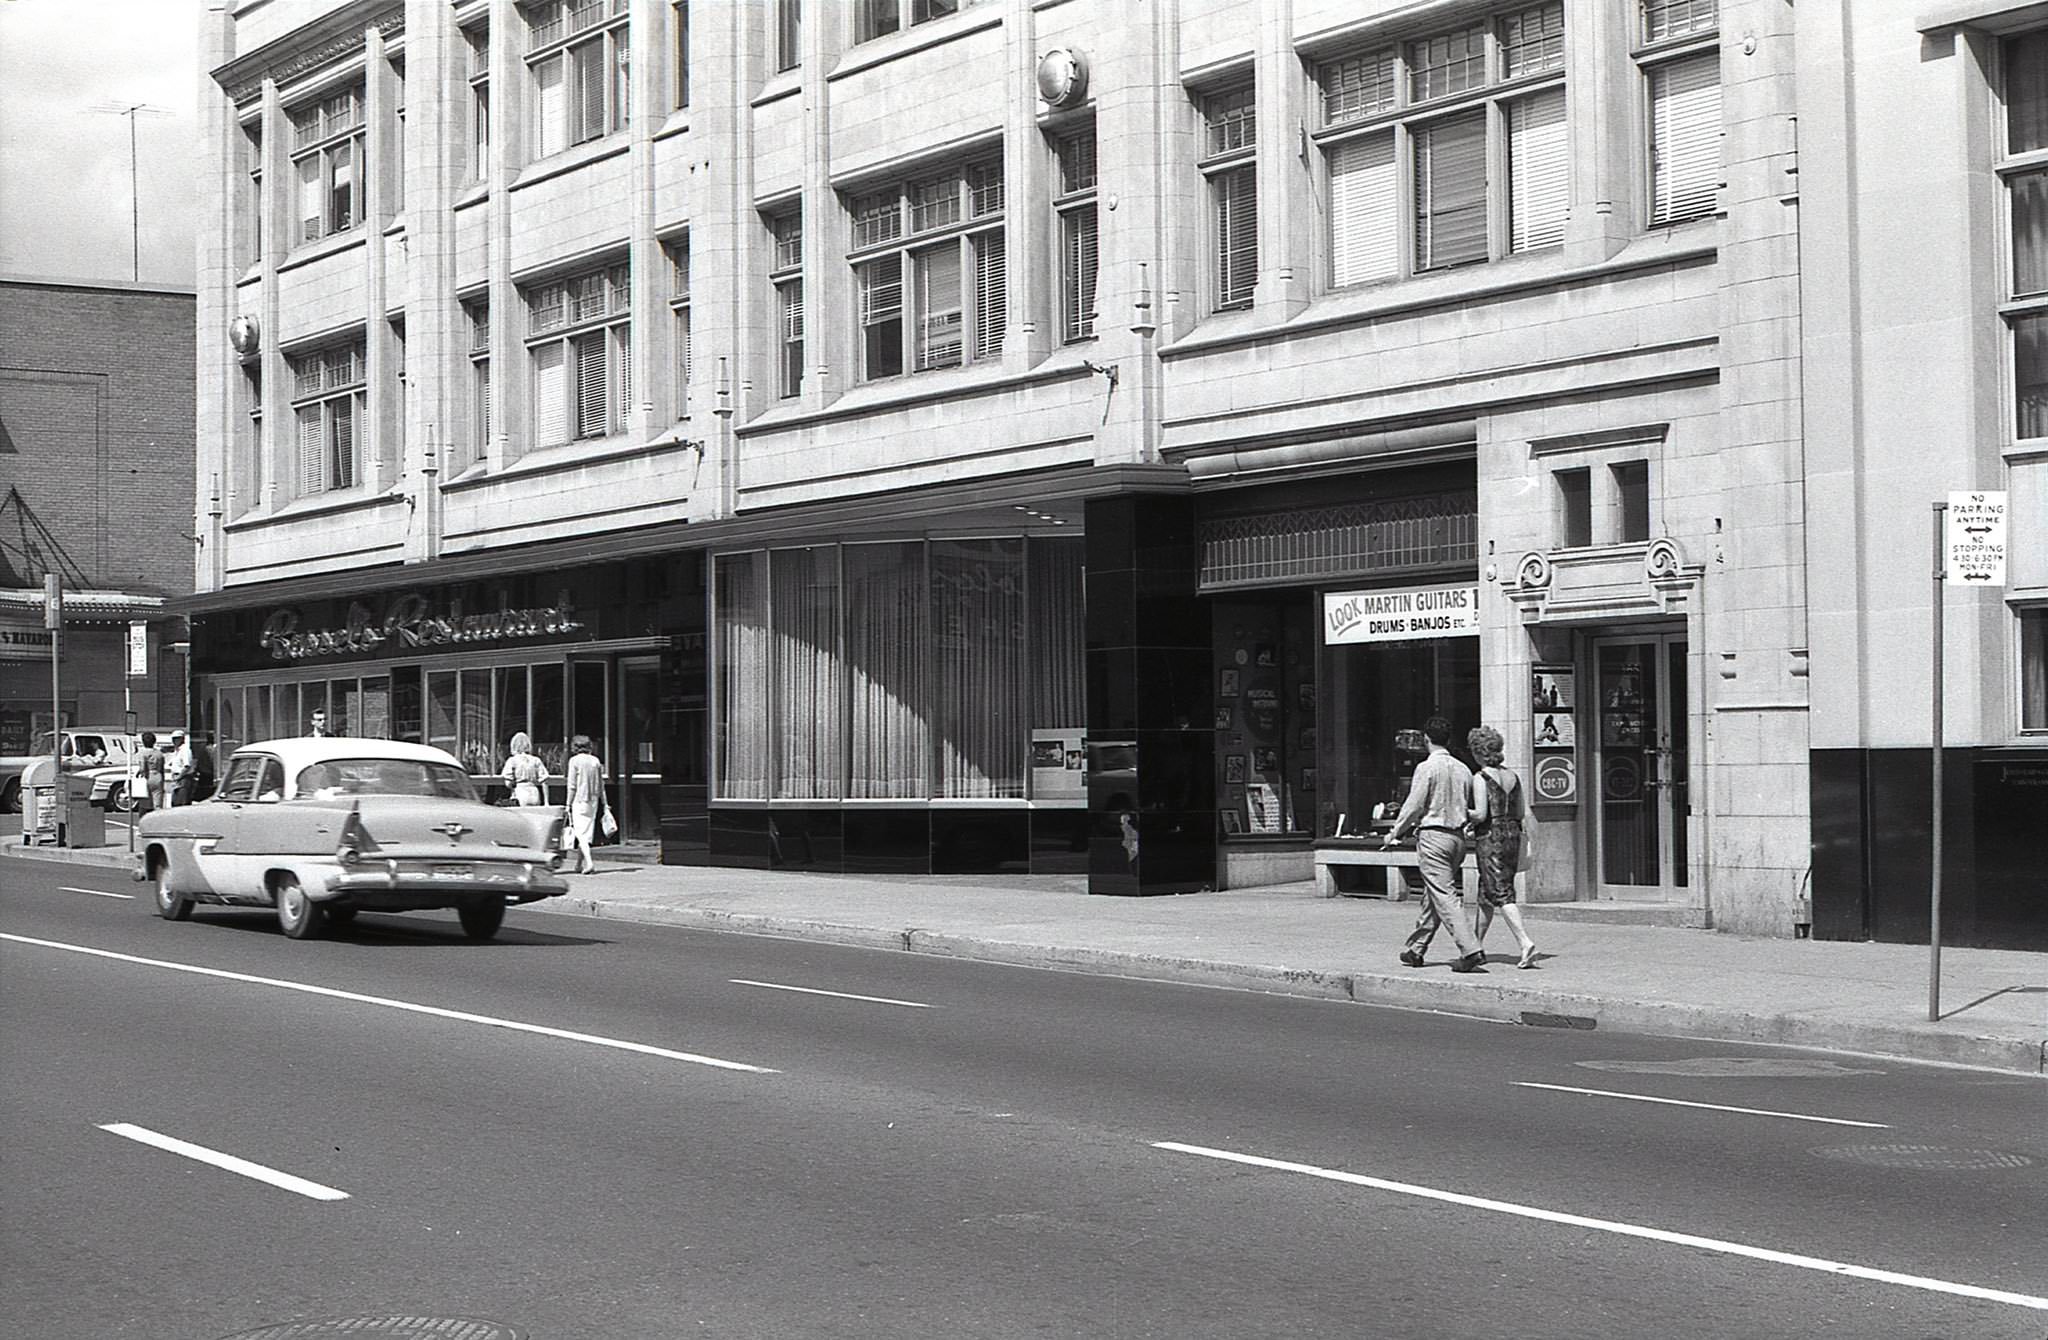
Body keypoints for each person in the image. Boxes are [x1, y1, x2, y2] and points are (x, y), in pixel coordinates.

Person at [1384, 715, 1485, 973]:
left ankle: (1470, 949)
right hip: (1458, 839)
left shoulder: (1427, 768)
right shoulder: (1463, 768)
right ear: (1449, 740)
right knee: (1435, 894)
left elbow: (1414, 805)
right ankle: (1416, 949)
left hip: (1434, 836)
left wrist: (1395, 831)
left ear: (1426, 739)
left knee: (1444, 894)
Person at [1467, 725, 1540, 970]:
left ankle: (1525, 942)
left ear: (1478, 753)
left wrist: (1462, 812)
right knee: (1487, 893)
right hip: (1512, 835)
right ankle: (1474, 947)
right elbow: (1520, 812)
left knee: (1501, 892)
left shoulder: (1481, 778)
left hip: (1490, 838)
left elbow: (1480, 814)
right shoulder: (1513, 777)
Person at [563, 733, 606, 875]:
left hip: (579, 800)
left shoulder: (574, 761)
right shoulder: (595, 761)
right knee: (586, 832)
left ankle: (589, 862)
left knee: (581, 834)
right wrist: (605, 803)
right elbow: (601, 785)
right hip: (593, 801)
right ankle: (578, 864)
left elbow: (572, 786)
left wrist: (568, 804)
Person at [502, 732, 550, 807]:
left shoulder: (512, 760)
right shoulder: (536, 760)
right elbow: (545, 781)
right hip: (534, 792)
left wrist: (512, 788)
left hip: (520, 792)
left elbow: (508, 783)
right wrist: (546, 802)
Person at [136, 731, 166, 814]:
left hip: (148, 776)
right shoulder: (159, 753)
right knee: (157, 803)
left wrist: (139, 774)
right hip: (158, 776)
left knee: (144, 803)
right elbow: (162, 768)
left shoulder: (143, 753)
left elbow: (142, 768)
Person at [165, 731, 195, 807]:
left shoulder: (185, 750)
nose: (174, 741)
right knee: (175, 802)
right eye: (173, 739)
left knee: (182, 802)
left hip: (183, 778)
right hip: (176, 779)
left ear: (182, 739)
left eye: (176, 739)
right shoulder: (177, 751)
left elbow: (187, 766)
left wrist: (179, 777)